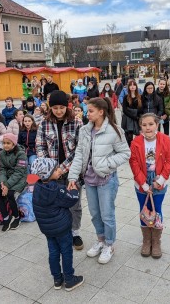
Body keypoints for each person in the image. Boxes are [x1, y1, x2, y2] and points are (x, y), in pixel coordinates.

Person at [68, 97, 130, 264]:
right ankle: (101, 240)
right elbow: (79, 154)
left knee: (107, 214)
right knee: (95, 214)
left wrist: (106, 164)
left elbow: (125, 153)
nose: (87, 114)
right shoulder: (84, 131)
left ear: (101, 112)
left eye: (91, 111)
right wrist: (73, 176)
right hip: (89, 180)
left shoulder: (115, 130)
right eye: (87, 111)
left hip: (106, 180)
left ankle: (109, 244)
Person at [36, 90, 84, 250]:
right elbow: (40, 146)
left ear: (67, 106)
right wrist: (50, 168)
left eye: (61, 107)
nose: (58, 111)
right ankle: (63, 231)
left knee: (74, 203)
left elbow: (80, 149)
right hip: (52, 173)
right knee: (57, 203)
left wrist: (62, 169)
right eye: (55, 107)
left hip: (72, 171)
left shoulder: (76, 123)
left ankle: (75, 232)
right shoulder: (44, 123)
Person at [31, 158, 84, 291]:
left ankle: (57, 279)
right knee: (66, 252)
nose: (59, 170)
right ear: (48, 174)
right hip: (62, 228)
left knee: (53, 252)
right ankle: (70, 279)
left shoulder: (37, 187)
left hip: (47, 229)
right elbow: (71, 200)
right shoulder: (56, 190)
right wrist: (74, 191)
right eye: (55, 169)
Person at [129, 113, 170, 258]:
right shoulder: (136, 141)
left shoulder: (165, 139)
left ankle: (156, 240)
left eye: (151, 124)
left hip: (159, 180)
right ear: (140, 126)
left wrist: (160, 180)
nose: (148, 128)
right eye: (144, 125)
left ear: (157, 124)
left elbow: (169, 160)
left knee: (157, 209)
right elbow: (134, 162)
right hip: (141, 181)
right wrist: (143, 183)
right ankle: (146, 240)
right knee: (144, 209)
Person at [0, 133, 27, 231]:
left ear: (14, 144)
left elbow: (19, 172)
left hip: (20, 178)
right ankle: (6, 216)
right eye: (4, 143)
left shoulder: (21, 154)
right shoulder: (2, 153)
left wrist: (7, 185)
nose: (5, 145)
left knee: (10, 194)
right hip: (6, 177)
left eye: (8, 143)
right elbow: (2, 169)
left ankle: (16, 216)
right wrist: (3, 183)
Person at [121, 80, 142, 147]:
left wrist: (137, 117)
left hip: (137, 118)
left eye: (134, 85)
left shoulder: (139, 97)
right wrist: (133, 116)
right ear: (128, 87)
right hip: (128, 118)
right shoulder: (126, 97)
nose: (132, 87)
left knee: (138, 135)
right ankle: (129, 151)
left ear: (136, 86)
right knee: (129, 137)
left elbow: (140, 108)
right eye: (131, 85)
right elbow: (124, 110)